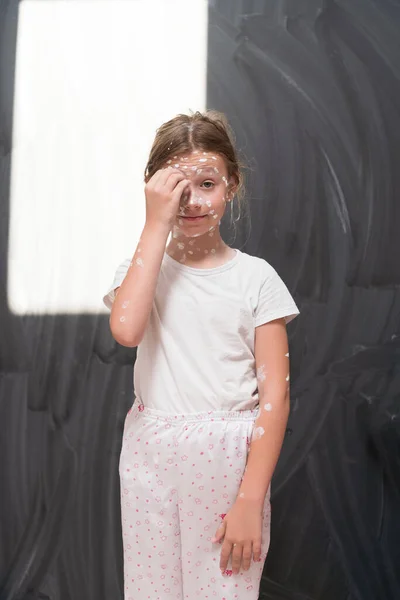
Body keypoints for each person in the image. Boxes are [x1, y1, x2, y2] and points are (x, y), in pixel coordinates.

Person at [103, 110, 300, 600]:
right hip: (150, 454)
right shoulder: (141, 269)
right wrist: (155, 225)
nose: (192, 200)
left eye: (207, 183)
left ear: (231, 186)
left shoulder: (256, 279)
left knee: (222, 590)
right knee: (152, 590)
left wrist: (251, 497)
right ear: (154, 188)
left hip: (228, 462)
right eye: (176, 186)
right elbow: (126, 330)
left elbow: (274, 396)